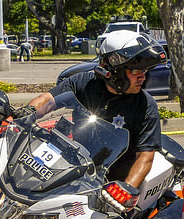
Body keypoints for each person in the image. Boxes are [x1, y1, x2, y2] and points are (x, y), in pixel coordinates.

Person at [19, 31, 167, 189]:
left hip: (111, 182)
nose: (142, 77)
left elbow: (145, 157)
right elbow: (48, 100)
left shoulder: (145, 105)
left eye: (144, 72)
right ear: (115, 69)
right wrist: (28, 112)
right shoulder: (84, 82)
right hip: (73, 169)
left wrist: (124, 191)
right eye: (136, 71)